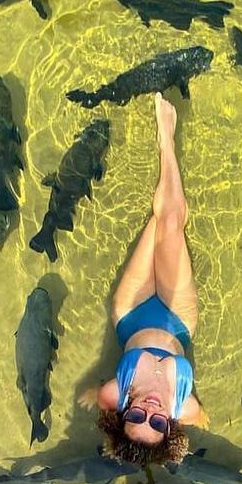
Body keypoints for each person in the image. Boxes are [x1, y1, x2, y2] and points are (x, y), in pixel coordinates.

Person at [80, 92, 207, 464]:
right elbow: (203, 420)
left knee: (160, 221)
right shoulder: (185, 408)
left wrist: (89, 395)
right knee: (169, 223)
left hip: (130, 312)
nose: (148, 410)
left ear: (122, 416)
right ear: (170, 427)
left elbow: (95, 396)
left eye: (136, 417)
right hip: (177, 317)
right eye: (157, 422)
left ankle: (166, 171)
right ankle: (166, 139)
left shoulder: (114, 393)